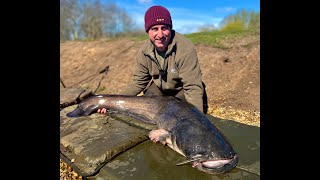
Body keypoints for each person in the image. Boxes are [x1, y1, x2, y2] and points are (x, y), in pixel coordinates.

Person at [98, 5, 208, 114]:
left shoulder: (185, 48)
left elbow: (192, 87)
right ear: (148, 31)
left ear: (170, 28)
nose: (160, 35)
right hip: (160, 89)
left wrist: (198, 119)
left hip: (181, 90)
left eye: (164, 28)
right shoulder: (144, 52)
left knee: (177, 110)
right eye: (154, 29)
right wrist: (109, 103)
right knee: (147, 102)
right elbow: (138, 84)